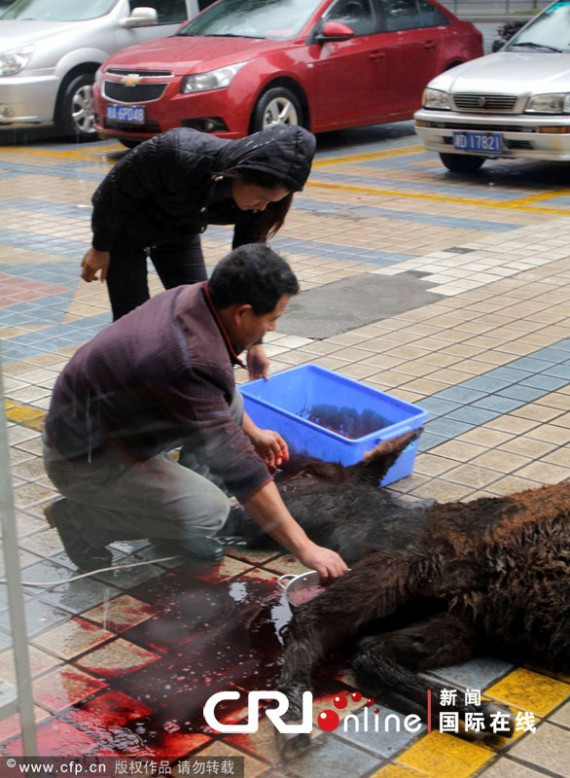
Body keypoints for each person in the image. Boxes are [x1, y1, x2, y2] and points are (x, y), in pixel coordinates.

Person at [43, 244, 348, 583]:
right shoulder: (188, 361)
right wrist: (305, 547)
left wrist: (255, 433)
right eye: (271, 319)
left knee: (230, 401)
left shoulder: (194, 298)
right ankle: (82, 519)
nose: (272, 328)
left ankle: (167, 513)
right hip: (83, 462)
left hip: (111, 424)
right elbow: (243, 473)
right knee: (209, 512)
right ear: (242, 313)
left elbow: (216, 397)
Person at [80, 125, 317, 380]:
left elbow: (251, 271)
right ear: (242, 173)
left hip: (179, 232)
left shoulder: (258, 208)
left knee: (202, 315)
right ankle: (127, 394)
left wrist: (254, 342)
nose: (262, 207)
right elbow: (113, 192)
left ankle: (196, 388)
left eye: (272, 201)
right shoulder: (177, 152)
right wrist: (100, 247)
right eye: (261, 197)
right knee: (132, 327)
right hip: (127, 234)